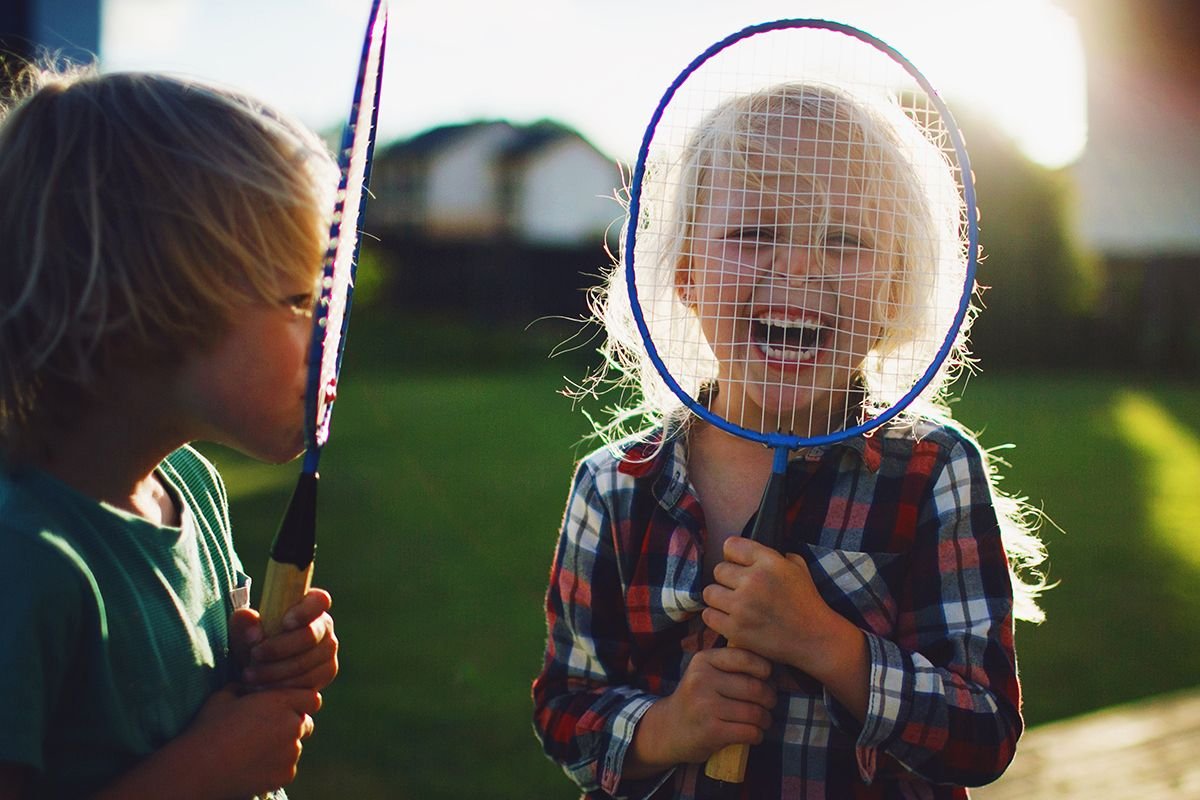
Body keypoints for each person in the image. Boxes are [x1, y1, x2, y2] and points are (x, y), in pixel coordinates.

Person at [533, 82, 1048, 799]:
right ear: (685, 272)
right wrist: (669, 727)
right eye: (753, 234)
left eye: (845, 240)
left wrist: (826, 644)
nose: (800, 271)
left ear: (896, 285)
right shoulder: (615, 486)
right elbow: (568, 711)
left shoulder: (932, 471)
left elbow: (981, 735)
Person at [0, 64, 341, 798]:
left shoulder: (190, 487)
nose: (328, 334)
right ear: (135, 306)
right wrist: (205, 773)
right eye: (294, 298)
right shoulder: (25, 560)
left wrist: (264, 664)